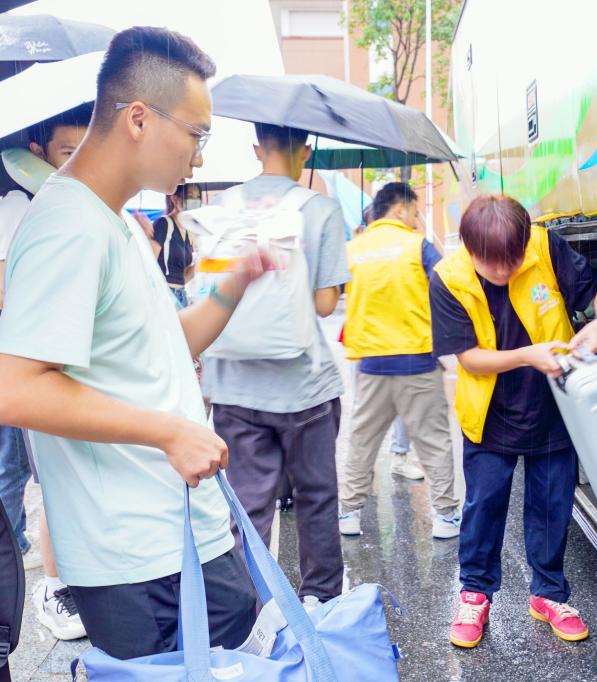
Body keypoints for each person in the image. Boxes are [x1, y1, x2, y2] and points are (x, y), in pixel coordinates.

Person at [0, 26, 270, 659]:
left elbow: (158, 349)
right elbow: (15, 387)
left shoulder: (113, 218)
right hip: (139, 559)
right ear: (140, 119)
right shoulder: (69, 225)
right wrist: (169, 432)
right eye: (197, 134)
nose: (198, 158)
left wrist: (233, 287)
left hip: (177, 536)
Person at [430, 194, 597, 648]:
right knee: (484, 507)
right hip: (489, 414)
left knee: (552, 507)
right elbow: (469, 359)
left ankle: (548, 594)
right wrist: (528, 356)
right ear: (470, 248)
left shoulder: (544, 246)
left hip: (554, 407)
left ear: (524, 243)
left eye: (511, 260)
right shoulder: (448, 278)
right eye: (490, 262)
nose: (502, 271)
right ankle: (474, 595)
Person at [204, 122, 348, 608]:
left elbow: (208, 285)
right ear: (305, 151)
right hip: (303, 387)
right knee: (316, 497)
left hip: (232, 384)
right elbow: (325, 304)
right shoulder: (320, 209)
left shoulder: (224, 206)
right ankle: (320, 601)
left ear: (256, 148)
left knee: (248, 504)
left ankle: (250, 607)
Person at [0, 104, 92, 642]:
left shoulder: (63, 203)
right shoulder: (19, 204)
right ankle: (44, 588)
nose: (76, 161)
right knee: (31, 475)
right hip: (28, 366)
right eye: (66, 150)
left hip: (54, 362)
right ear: (37, 151)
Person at [338, 182, 460, 539]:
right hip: (416, 361)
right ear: (400, 208)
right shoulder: (417, 246)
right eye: (416, 212)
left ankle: (349, 512)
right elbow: (448, 287)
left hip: (371, 365)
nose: (417, 220)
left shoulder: (353, 249)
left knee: (362, 441)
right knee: (434, 441)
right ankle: (445, 517)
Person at [151, 183, 199, 309]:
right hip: (165, 295)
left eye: (197, 197)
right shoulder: (163, 224)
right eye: (189, 196)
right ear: (174, 199)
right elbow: (149, 263)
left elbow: (183, 277)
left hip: (181, 295)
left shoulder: (189, 232)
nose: (194, 201)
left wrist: (202, 261)